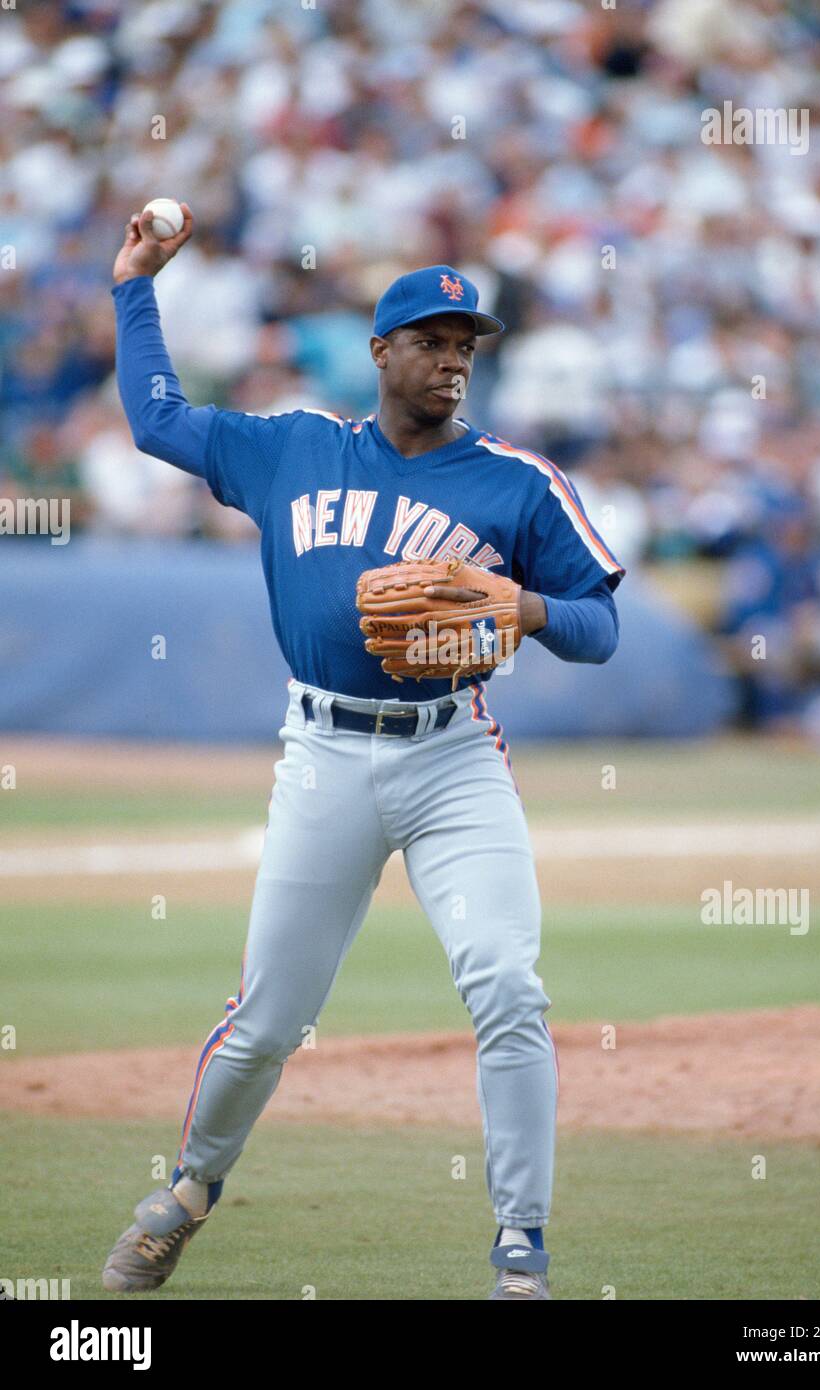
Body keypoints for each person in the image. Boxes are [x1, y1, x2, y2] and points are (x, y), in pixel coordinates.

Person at [101, 205, 624, 1301]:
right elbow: (156, 421)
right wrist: (135, 287)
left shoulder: (518, 485)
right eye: (431, 340)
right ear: (379, 352)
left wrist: (525, 606)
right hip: (322, 756)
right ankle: (188, 1190)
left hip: (452, 757)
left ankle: (520, 1246)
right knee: (267, 1021)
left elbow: (601, 625)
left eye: (466, 344)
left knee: (509, 987)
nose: (451, 360)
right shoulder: (293, 448)